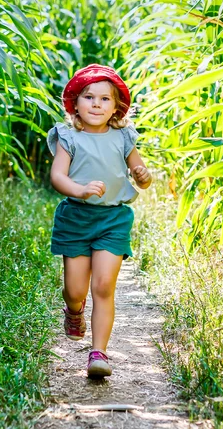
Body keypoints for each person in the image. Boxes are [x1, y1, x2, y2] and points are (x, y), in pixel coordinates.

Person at [47, 64, 152, 378]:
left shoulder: (123, 136)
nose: (96, 104)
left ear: (116, 106)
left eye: (105, 99)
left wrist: (143, 177)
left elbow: (140, 174)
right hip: (76, 219)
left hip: (112, 219)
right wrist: (80, 190)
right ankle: (74, 310)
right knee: (75, 290)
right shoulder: (69, 136)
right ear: (75, 103)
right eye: (89, 97)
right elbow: (57, 176)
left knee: (104, 286)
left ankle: (98, 353)